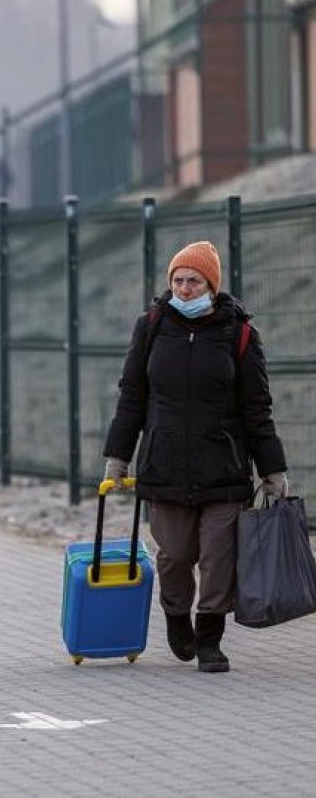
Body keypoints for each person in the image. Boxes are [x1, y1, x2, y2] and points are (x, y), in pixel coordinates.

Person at [103, 241, 287, 673]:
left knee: (219, 555)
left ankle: (210, 636)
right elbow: (132, 398)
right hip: (165, 463)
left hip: (222, 464)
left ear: (212, 285)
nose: (184, 289)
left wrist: (272, 469)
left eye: (194, 281)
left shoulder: (239, 332)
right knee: (174, 554)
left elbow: (257, 407)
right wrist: (118, 457)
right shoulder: (150, 326)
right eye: (178, 281)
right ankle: (175, 616)